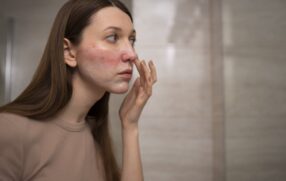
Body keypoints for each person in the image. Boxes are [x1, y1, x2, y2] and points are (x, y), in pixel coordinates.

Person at [0, 0, 157, 180]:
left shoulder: (95, 133)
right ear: (69, 53)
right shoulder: (8, 130)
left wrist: (130, 127)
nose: (131, 54)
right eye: (113, 37)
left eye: (132, 40)